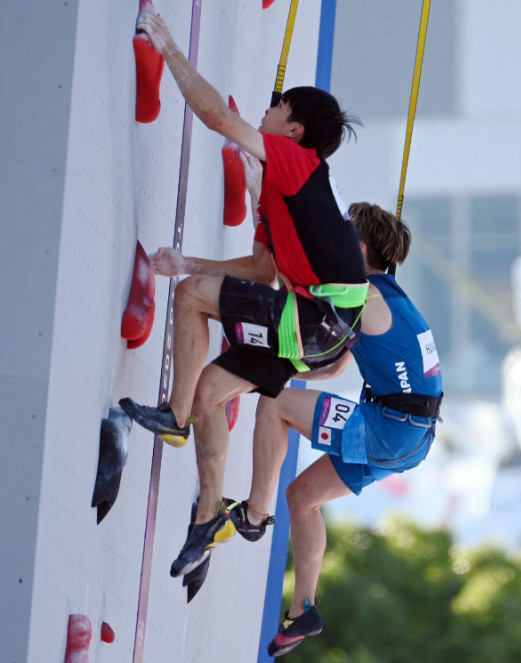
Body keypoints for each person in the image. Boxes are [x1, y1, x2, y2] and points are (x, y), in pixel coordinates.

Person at [119, 10, 369, 580]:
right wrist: (192, 261)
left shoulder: (295, 162)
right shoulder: (280, 192)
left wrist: (168, 46)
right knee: (211, 385)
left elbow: (215, 116)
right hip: (316, 328)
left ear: (294, 128)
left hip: (315, 322)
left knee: (191, 298)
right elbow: (261, 269)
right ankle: (207, 515)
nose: (266, 111)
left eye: (276, 109)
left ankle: (175, 417)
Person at [226, 202, 443, 657]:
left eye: (342, 234)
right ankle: (303, 609)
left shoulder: (365, 294)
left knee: (275, 405)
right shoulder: (385, 300)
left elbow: (298, 283)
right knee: (303, 497)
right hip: (410, 437)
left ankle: (252, 514)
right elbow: (329, 369)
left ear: (359, 249)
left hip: (388, 427)